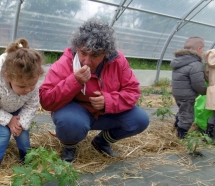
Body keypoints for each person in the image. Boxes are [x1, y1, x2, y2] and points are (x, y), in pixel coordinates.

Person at [39, 19, 150, 162]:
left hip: (106, 113)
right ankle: (69, 147)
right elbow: (46, 100)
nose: (86, 61)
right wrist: (74, 81)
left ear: (106, 53)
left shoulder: (117, 61)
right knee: (70, 122)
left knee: (139, 119)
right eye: (83, 52)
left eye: (95, 55)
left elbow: (133, 90)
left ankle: (101, 142)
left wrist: (108, 101)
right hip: (77, 112)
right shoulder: (66, 62)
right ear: (77, 47)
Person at [0, 38, 44, 173]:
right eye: (22, 86)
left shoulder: (31, 86)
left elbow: (31, 105)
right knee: (3, 134)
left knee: (23, 135)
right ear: (7, 77)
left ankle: (27, 164)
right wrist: (8, 120)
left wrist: (21, 123)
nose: (28, 89)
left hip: (17, 110)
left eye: (32, 84)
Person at [171, 36, 207, 139]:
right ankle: (181, 136)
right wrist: (205, 91)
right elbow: (198, 84)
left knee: (182, 110)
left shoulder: (179, 61)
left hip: (177, 93)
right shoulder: (195, 64)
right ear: (199, 49)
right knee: (187, 116)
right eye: (203, 49)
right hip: (187, 95)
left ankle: (176, 126)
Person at [204, 49, 215, 139]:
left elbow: (207, 74)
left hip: (213, 89)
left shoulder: (210, 56)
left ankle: (209, 135)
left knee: (213, 114)